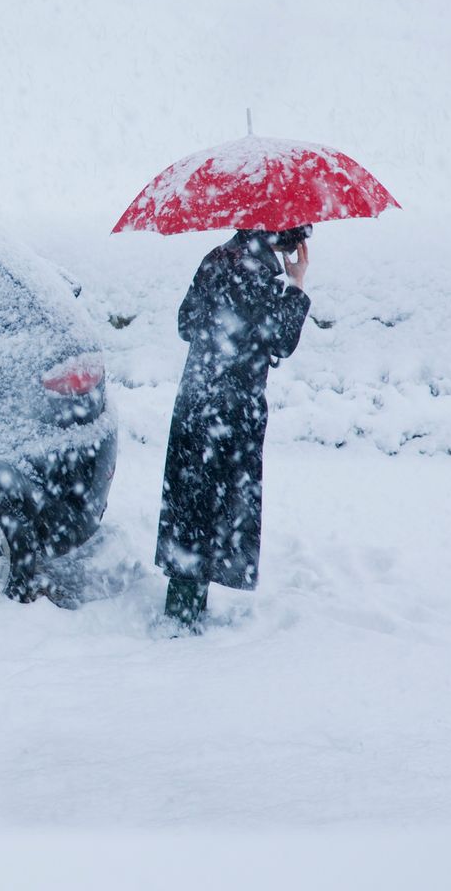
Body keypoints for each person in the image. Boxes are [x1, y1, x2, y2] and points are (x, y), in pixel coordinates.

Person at [156, 225, 312, 631]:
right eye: (295, 234)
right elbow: (280, 340)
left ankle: (183, 605)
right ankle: (184, 617)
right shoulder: (257, 271)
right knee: (218, 505)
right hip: (232, 408)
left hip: (195, 399)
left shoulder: (217, 257)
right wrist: (295, 285)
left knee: (191, 502)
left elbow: (186, 324)